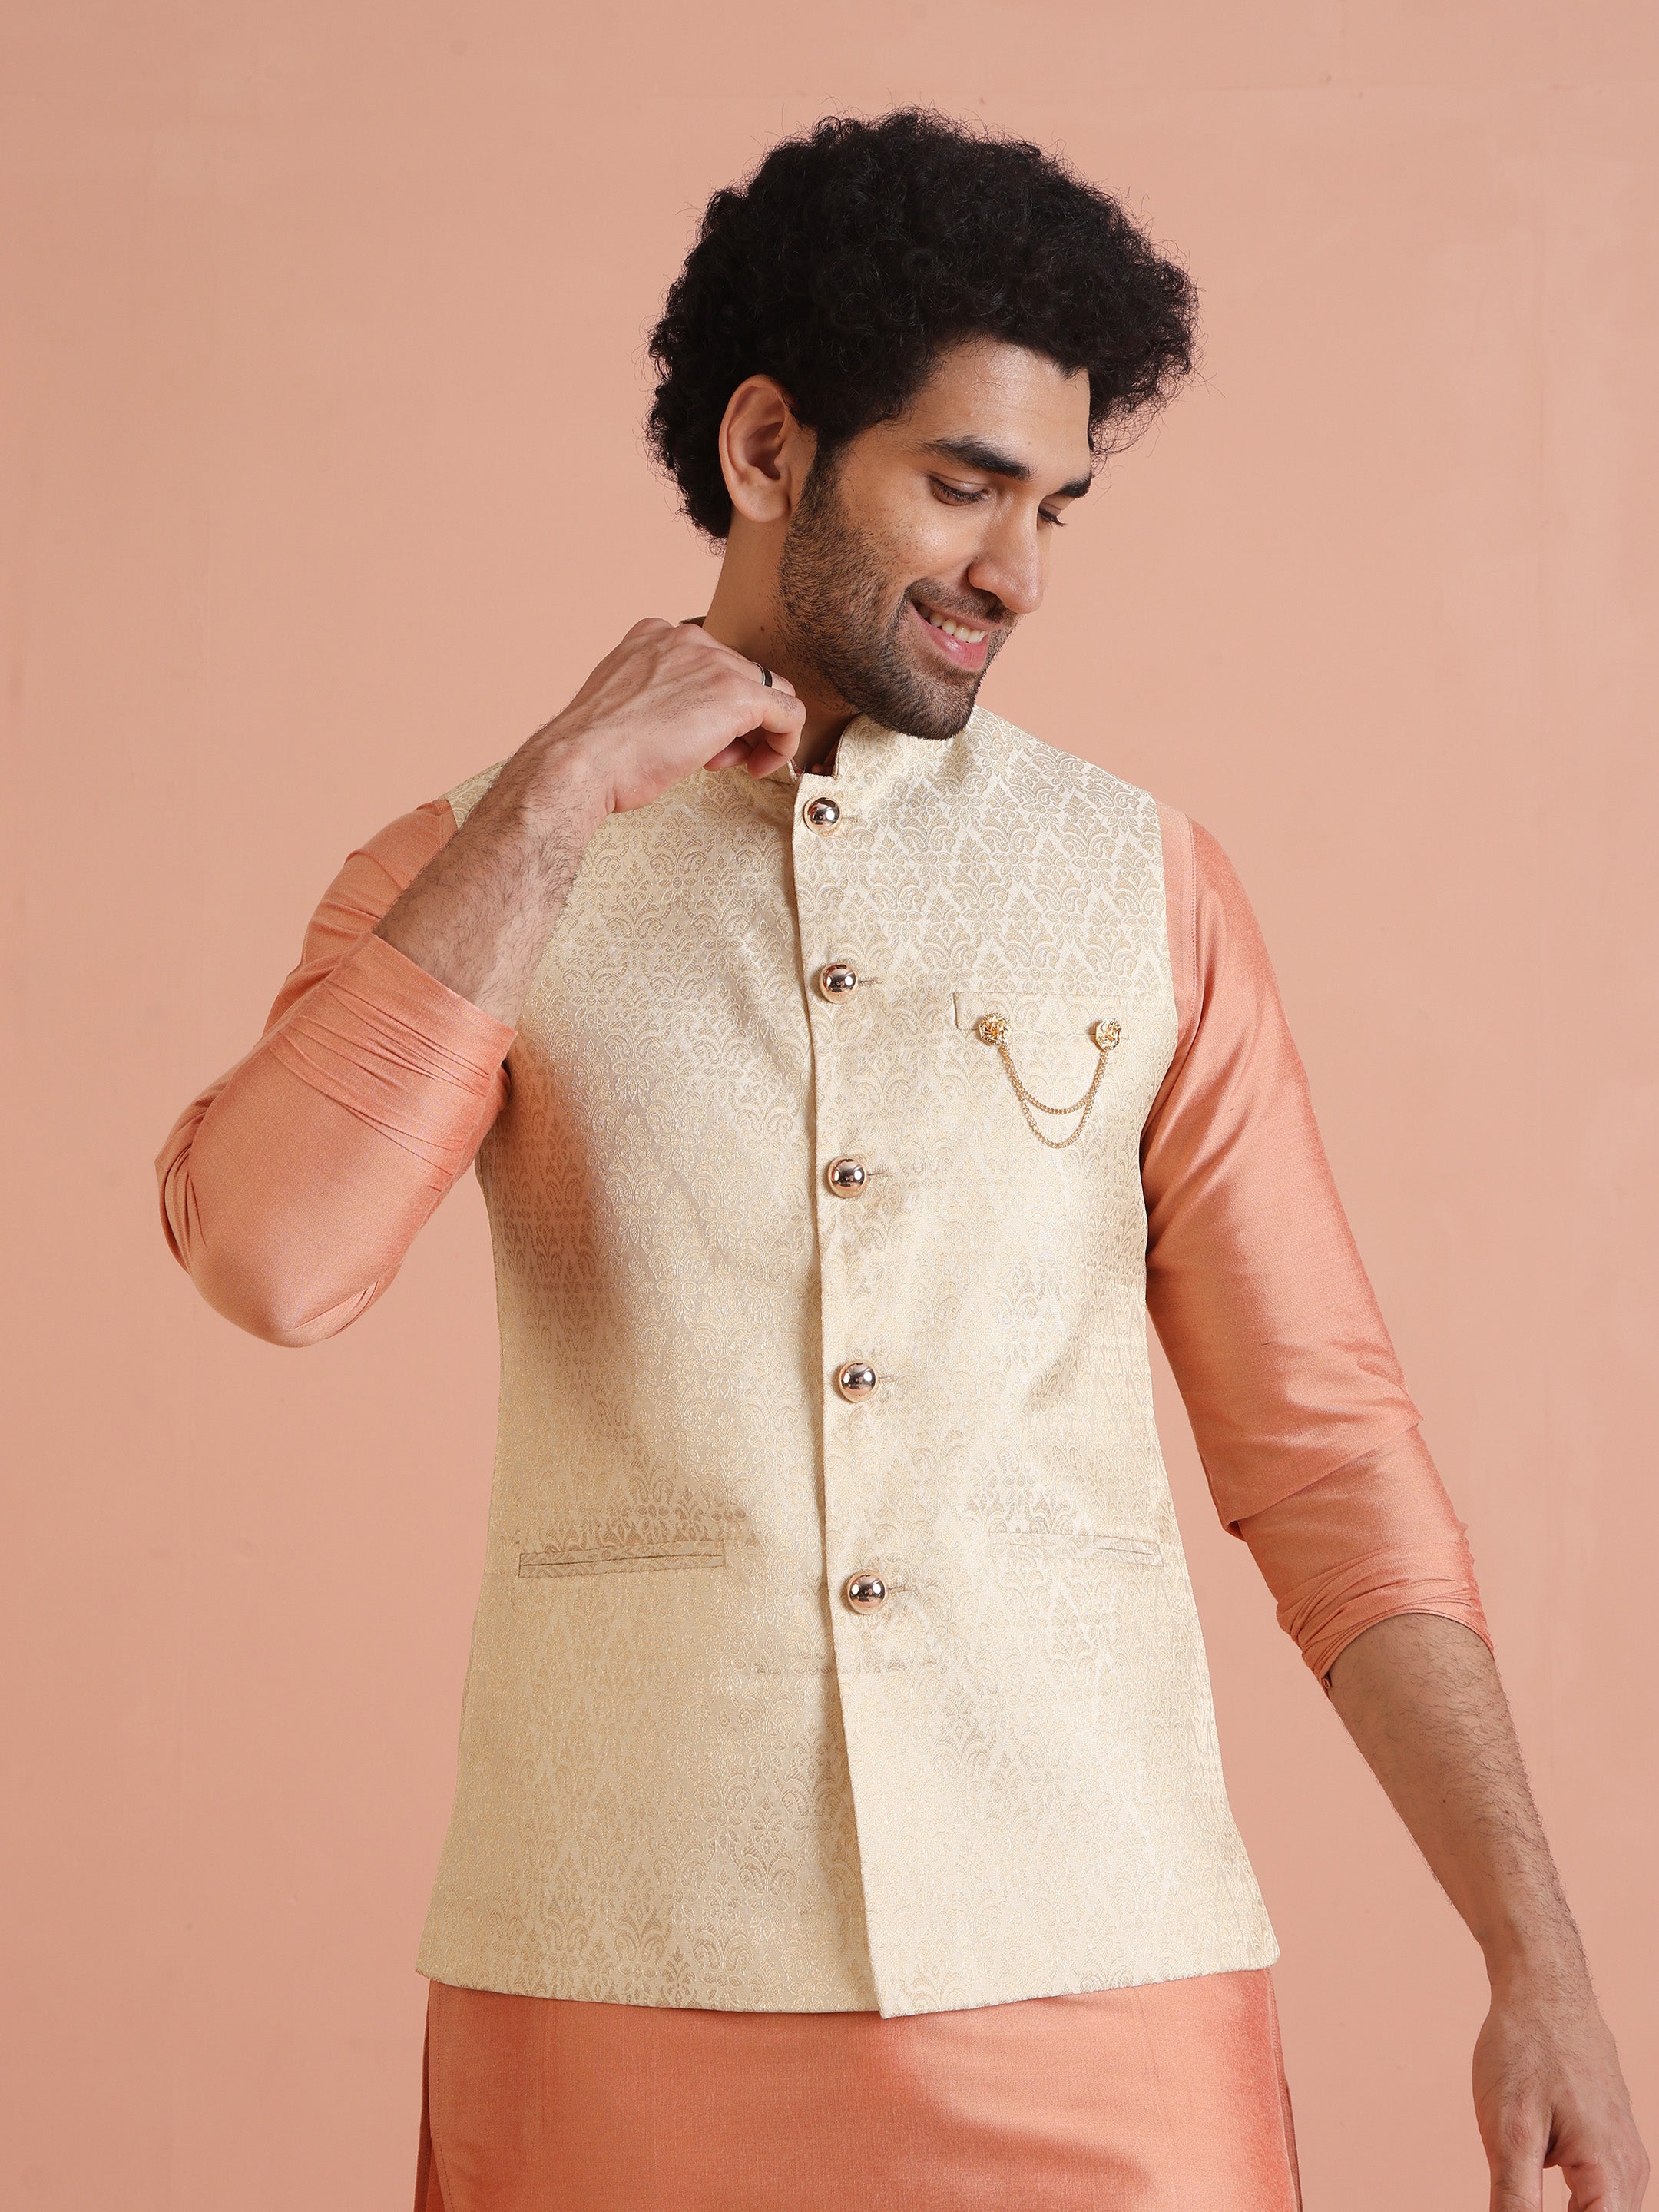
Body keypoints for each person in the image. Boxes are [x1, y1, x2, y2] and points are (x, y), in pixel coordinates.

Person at [156, 109, 1647, 2212]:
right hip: (614, 1970)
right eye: (962, 485)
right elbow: (270, 1259)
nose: (1016, 573)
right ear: (770, 448)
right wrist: (560, 796)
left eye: (1054, 506)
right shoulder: (473, 863)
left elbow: (1329, 1461)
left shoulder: (1143, 886)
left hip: (1105, 1973)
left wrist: (1536, 1954)